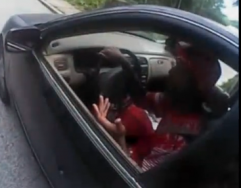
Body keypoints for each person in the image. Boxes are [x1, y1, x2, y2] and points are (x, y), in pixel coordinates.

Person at [92, 44, 222, 170]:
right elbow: (141, 99)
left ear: (191, 80)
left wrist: (117, 137)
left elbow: (137, 175)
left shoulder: (182, 142)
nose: (171, 70)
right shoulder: (176, 103)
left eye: (178, 66)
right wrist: (123, 62)